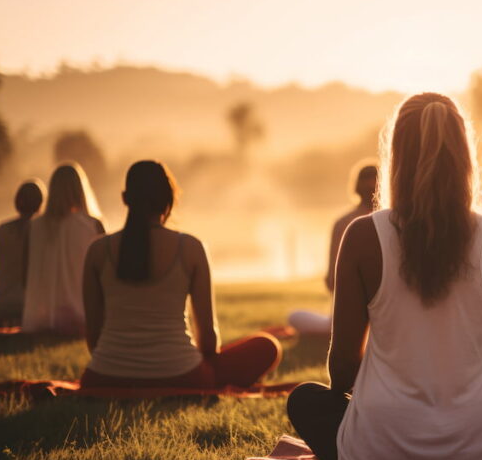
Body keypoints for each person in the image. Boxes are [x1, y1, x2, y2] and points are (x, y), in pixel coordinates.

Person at [287, 93, 482, 460]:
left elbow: (342, 368)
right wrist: (457, 388)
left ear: (396, 155)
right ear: (465, 156)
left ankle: (380, 445)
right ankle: (473, 446)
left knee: (305, 400)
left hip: (377, 450)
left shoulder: (361, 235)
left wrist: (391, 391)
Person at [80, 160, 281, 388]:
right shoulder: (191, 248)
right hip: (182, 376)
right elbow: (207, 340)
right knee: (266, 346)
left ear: (125, 198)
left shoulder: (97, 250)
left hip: (103, 377)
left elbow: (93, 336)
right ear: (170, 199)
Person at [287, 163, 378, 335]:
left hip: (354, 310)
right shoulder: (396, 220)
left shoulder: (344, 223)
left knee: (295, 317)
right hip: (377, 309)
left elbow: (331, 281)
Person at [21, 162, 105, 335]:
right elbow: (105, 272)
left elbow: (26, 270)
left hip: (41, 316)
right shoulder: (92, 225)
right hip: (82, 314)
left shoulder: (35, 226)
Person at [0, 180, 46, 326]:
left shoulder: (2, 229)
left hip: (1, 306)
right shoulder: (42, 231)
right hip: (32, 307)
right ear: (41, 202)